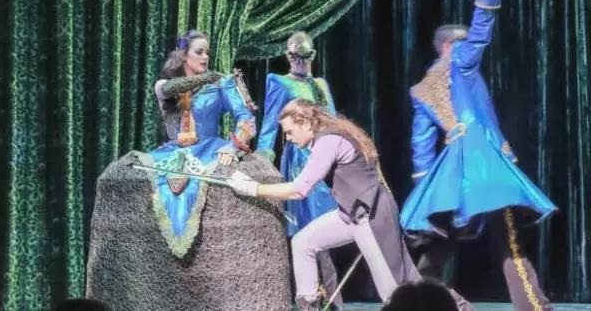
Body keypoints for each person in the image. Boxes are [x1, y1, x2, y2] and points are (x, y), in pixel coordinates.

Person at [400, 0, 556, 311]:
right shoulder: (462, 61)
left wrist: (426, 191)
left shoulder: (421, 88)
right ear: (450, 46)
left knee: (442, 239)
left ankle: (424, 301)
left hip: (451, 175)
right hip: (484, 163)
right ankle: (532, 305)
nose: (470, 46)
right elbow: (483, 29)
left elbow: (421, 146)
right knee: (507, 236)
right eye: (463, 41)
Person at [228, 99, 472, 311]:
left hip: (371, 216)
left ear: (306, 124)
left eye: (290, 132)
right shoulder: (326, 137)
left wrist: (254, 188)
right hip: (350, 215)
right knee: (303, 242)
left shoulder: (328, 141)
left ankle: (460, 308)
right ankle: (309, 306)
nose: (289, 139)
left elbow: (300, 189)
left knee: (395, 289)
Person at [150, 30, 256, 257]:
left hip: (208, 148)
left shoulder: (221, 84)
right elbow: (170, 88)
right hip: (174, 151)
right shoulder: (164, 85)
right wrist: (207, 77)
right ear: (183, 55)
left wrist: (233, 146)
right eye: (199, 52)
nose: (205, 57)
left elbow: (246, 118)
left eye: (207, 52)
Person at [256, 31, 340, 308]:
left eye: (306, 56)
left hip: (323, 158)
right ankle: (311, 298)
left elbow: (334, 122)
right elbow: (270, 125)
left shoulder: (320, 85)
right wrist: (263, 159)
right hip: (298, 161)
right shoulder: (280, 83)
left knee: (325, 230)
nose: (301, 62)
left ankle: (331, 299)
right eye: (295, 56)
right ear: (288, 56)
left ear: (313, 56)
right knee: (306, 229)